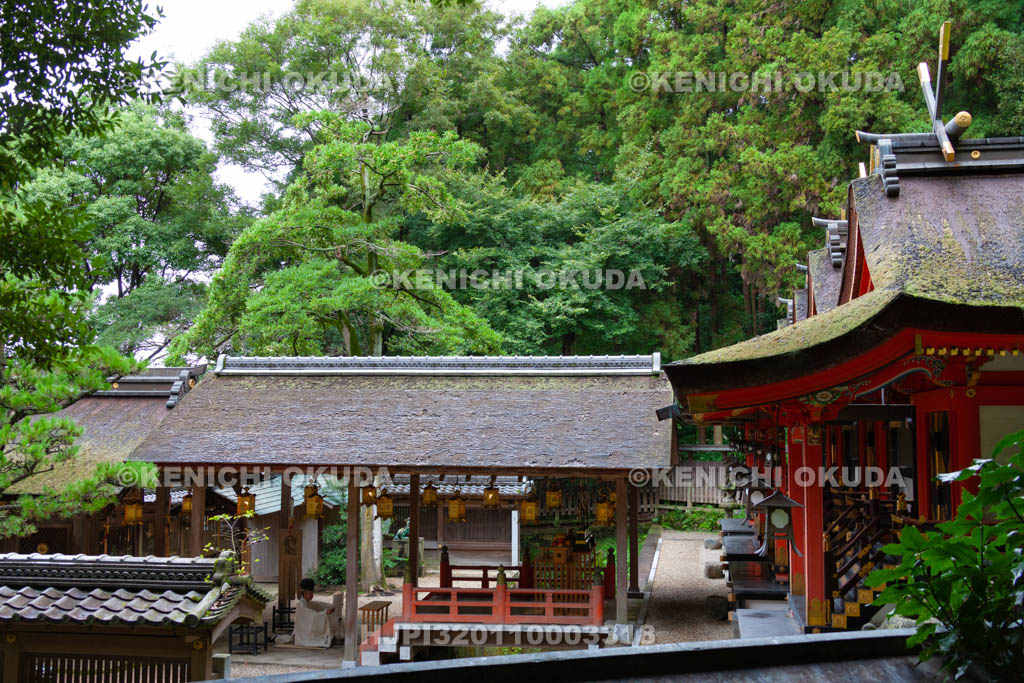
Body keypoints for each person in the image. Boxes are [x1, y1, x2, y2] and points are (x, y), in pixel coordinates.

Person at [291, 578, 335, 648]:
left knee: (330, 635)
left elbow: (318, 605)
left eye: (312, 593)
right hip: (303, 635)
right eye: (310, 593)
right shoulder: (301, 605)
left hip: (307, 632)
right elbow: (313, 616)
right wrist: (325, 612)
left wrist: (328, 607)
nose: (312, 595)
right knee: (323, 639)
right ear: (304, 593)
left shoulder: (308, 603)